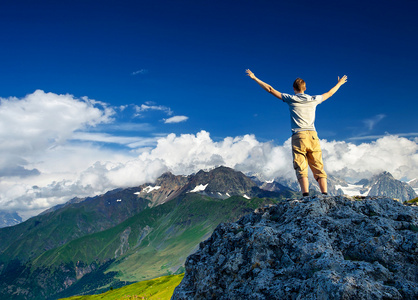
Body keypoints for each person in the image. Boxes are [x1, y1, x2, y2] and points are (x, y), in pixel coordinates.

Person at [246, 69, 347, 196]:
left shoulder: (291, 99)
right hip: (313, 135)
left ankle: (305, 194)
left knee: (301, 165)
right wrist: (339, 84)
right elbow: (329, 93)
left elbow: (270, 89)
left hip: (298, 136)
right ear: (305, 88)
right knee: (318, 165)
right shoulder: (314, 99)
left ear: (294, 88)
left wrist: (255, 78)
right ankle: (325, 194)